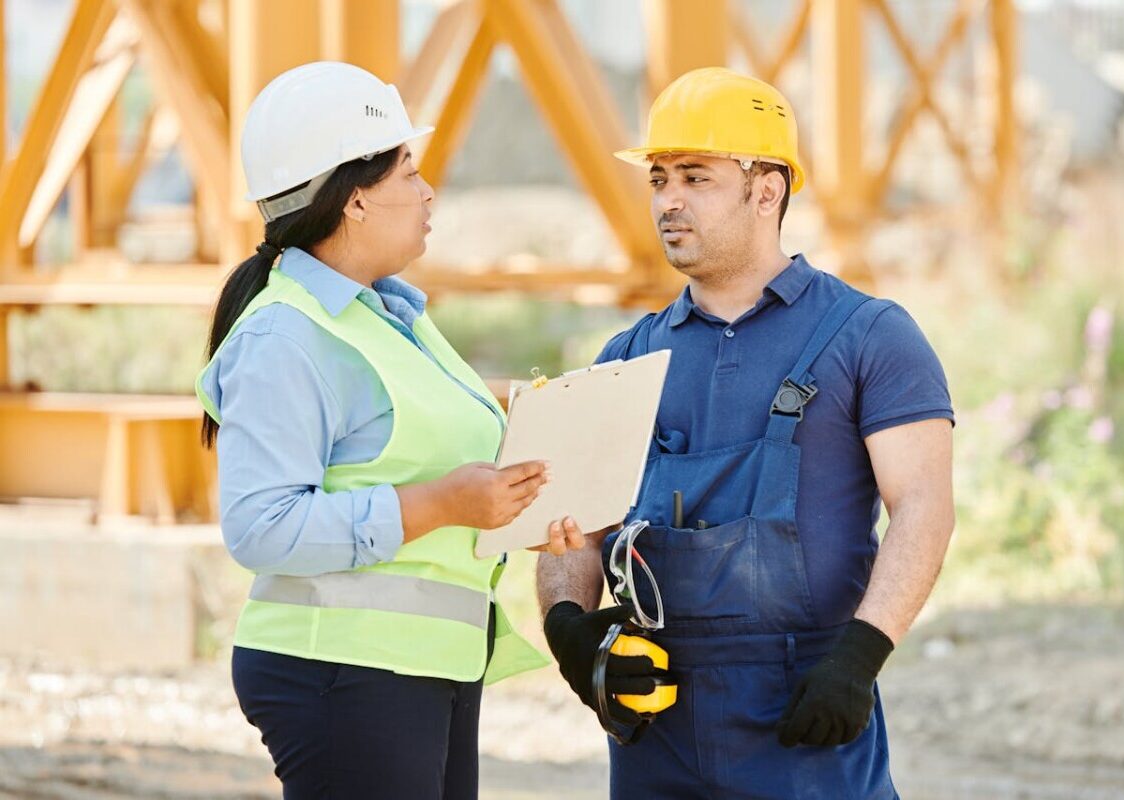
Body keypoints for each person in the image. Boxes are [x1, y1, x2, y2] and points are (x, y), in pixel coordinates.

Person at [537, 67, 956, 798]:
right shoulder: (623, 359)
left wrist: (859, 657)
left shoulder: (870, 337)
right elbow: (568, 529)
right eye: (659, 179)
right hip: (655, 717)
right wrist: (572, 631)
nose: (668, 200)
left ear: (767, 191)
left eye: (695, 178)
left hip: (805, 705)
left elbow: (923, 505)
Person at [196, 61, 581, 799]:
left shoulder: (395, 319)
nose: (428, 191)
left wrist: (508, 512)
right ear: (355, 199)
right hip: (342, 672)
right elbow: (259, 526)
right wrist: (441, 505)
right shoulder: (287, 336)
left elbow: (417, 472)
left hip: (421, 665)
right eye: (408, 171)